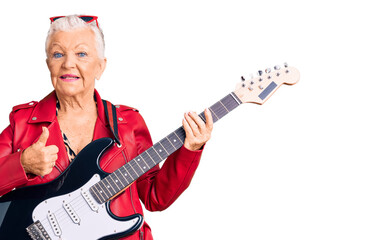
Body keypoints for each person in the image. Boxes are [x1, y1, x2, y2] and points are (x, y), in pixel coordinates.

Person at [0, 15, 213, 240]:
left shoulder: (128, 124)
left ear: (100, 66)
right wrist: (21, 163)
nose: (68, 63)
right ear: (48, 64)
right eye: (58, 54)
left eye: (81, 54)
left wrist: (190, 149)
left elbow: (155, 197)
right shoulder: (23, 122)